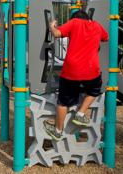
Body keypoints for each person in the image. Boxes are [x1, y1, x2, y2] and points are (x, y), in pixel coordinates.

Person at [43, 10, 109, 141]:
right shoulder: (96, 25)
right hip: (91, 70)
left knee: (63, 101)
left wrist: (52, 25)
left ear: (75, 18)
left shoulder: (74, 23)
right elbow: (106, 38)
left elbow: (56, 33)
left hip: (71, 70)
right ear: (88, 18)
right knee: (95, 90)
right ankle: (81, 112)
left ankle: (58, 131)